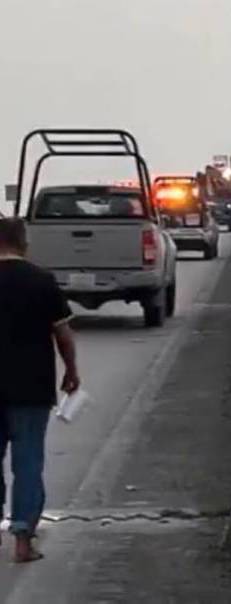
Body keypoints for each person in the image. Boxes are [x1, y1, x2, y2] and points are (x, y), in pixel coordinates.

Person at [0, 218, 79, 563]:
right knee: (28, 462)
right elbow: (62, 334)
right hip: (31, 387)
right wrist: (72, 371)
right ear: (23, 243)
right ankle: (22, 540)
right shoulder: (41, 280)